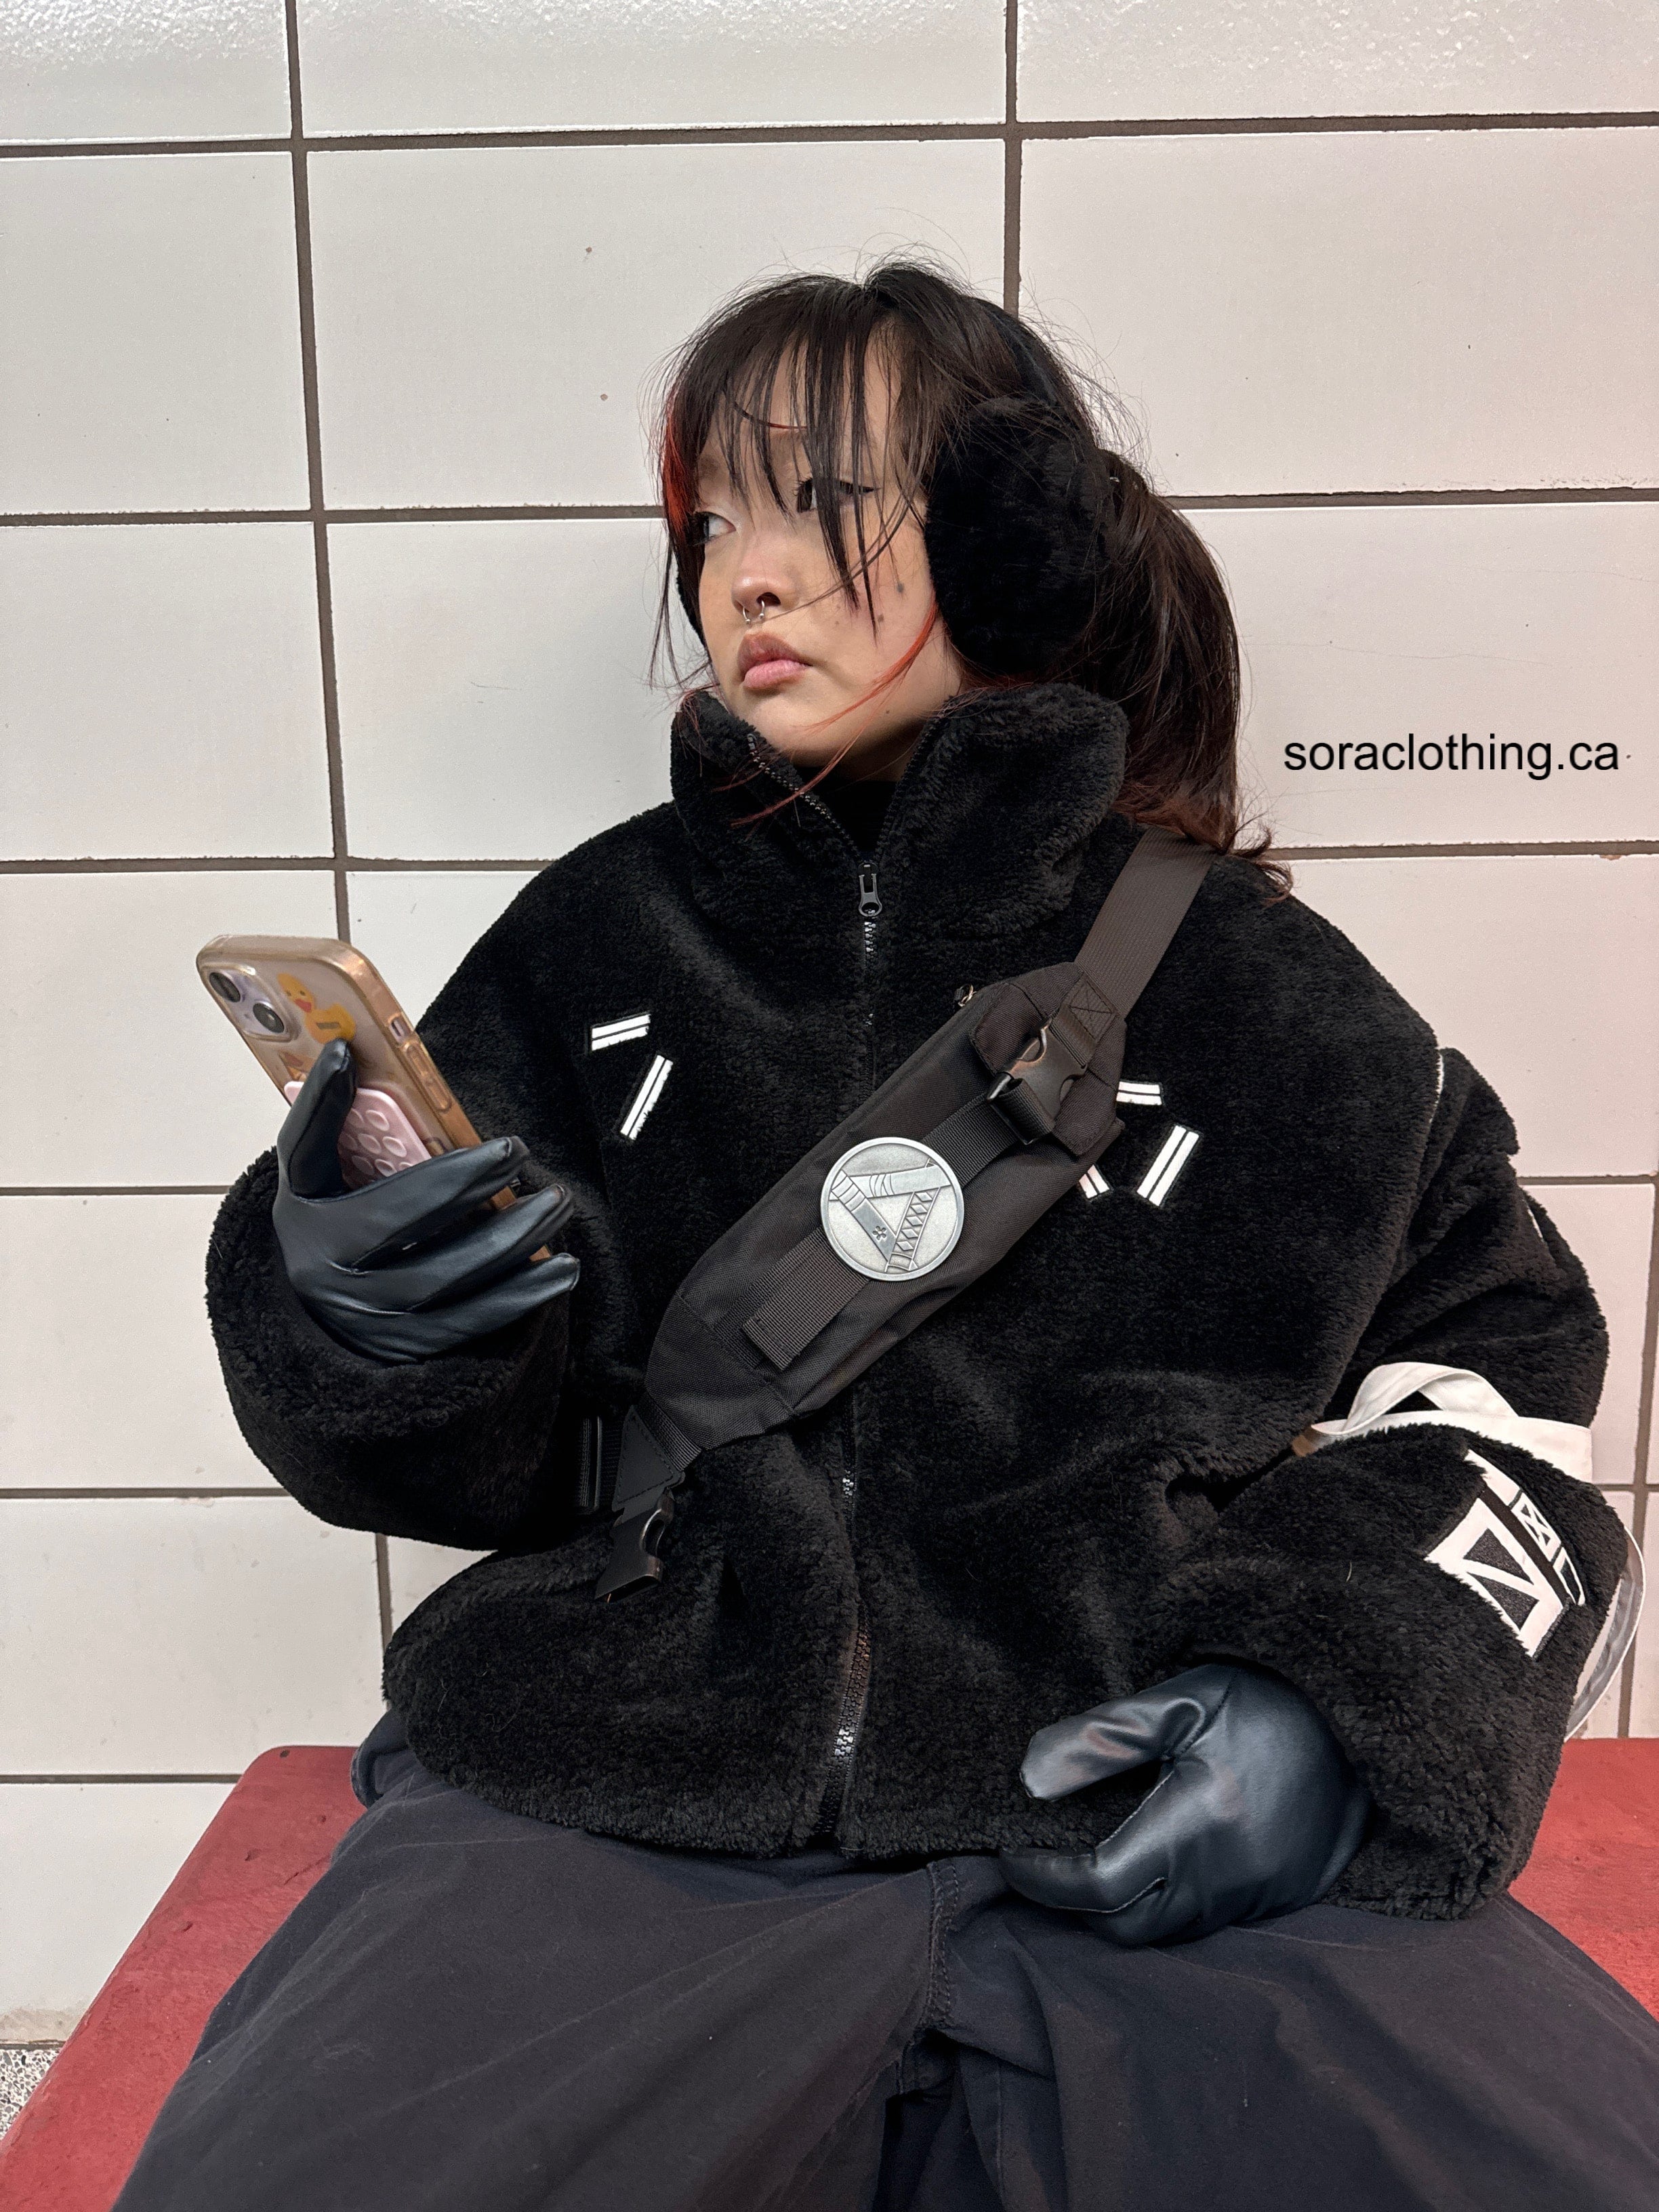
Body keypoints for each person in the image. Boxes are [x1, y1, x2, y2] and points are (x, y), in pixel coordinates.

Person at [116, 257, 1659, 2211]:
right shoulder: (590, 947)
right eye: (711, 526)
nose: (744, 577)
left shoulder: (1275, 999)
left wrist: (1335, 1703)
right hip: (620, 1788)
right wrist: (353, 1318)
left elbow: (1499, 1398)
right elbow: (476, 1459)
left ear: (1015, 536)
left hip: (1133, 1798)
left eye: (821, 502)